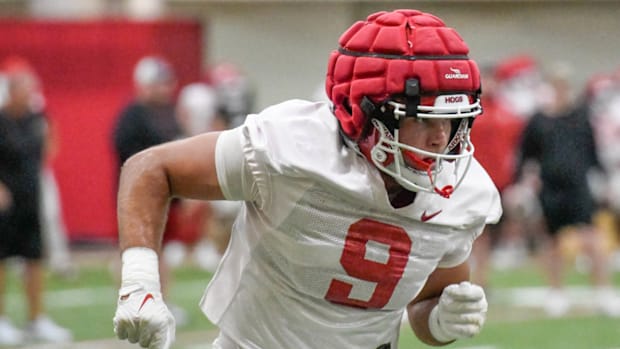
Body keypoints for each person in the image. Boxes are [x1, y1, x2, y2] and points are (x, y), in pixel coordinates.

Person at [113, 9, 501, 349]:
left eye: (452, 119)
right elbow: (150, 168)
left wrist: (441, 320)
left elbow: (425, 306)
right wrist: (139, 282)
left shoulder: (464, 193)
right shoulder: (293, 147)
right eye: (420, 118)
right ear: (364, 114)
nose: (441, 138)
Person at [517, 62, 620, 317]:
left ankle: (603, 291)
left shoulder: (580, 116)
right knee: (551, 241)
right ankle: (556, 292)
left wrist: (602, 179)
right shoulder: (538, 120)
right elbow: (526, 155)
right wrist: (523, 182)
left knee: (591, 237)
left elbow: (591, 151)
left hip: (578, 186)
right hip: (550, 187)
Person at [111, 55, 189, 326]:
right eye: (160, 83)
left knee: (160, 251)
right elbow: (132, 161)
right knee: (138, 252)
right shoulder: (132, 117)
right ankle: (136, 304)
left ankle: (160, 302)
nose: (166, 88)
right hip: (140, 197)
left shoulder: (167, 114)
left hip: (163, 196)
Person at [0, 56, 72, 345]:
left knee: (34, 258)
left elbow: (47, 146)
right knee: (2, 259)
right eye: (25, 87)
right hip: (4, 202)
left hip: (31, 197)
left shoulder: (36, 118)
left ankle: (36, 318)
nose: (31, 93)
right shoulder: (1, 119)